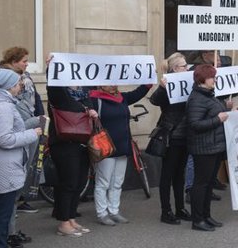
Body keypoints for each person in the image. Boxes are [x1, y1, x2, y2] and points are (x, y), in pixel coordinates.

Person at [0, 69, 43, 248]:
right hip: (5, 167)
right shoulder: (3, 107)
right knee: (2, 214)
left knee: (1, 212)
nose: (20, 86)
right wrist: (32, 133)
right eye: (17, 83)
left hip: (2, 164)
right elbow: (4, 139)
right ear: (8, 86)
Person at [0, 47, 44, 245]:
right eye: (24, 60)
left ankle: (11, 231)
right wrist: (35, 123)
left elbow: (34, 101)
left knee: (16, 191)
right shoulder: (5, 85)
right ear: (14, 61)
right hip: (21, 137)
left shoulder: (24, 76)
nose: (27, 64)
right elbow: (11, 129)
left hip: (29, 133)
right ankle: (7, 234)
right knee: (9, 194)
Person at [90, 82, 152, 226]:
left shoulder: (122, 97)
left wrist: (148, 81)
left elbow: (138, 93)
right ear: (100, 84)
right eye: (108, 82)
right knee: (103, 182)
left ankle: (114, 210)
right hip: (106, 147)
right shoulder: (94, 99)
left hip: (123, 145)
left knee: (117, 182)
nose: (113, 85)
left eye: (114, 81)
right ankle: (102, 213)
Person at [46, 61, 96, 237]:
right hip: (64, 143)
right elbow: (53, 86)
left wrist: (90, 110)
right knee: (68, 183)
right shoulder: (59, 93)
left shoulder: (82, 91)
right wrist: (50, 68)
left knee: (79, 182)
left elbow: (89, 103)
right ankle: (63, 222)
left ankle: (71, 217)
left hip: (82, 142)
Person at [186, 64, 229, 232]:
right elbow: (195, 124)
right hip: (203, 148)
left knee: (209, 183)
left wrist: (227, 110)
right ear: (203, 79)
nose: (215, 80)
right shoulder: (197, 98)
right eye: (213, 77)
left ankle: (206, 216)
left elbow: (214, 113)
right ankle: (197, 220)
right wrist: (218, 119)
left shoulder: (209, 95)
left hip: (214, 146)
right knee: (201, 184)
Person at [150, 53, 192, 224]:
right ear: (175, 68)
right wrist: (161, 87)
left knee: (179, 175)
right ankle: (166, 211)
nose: (187, 67)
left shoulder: (189, 82)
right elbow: (154, 100)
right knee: (167, 175)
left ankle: (180, 208)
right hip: (172, 135)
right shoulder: (168, 84)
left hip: (186, 134)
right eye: (183, 65)